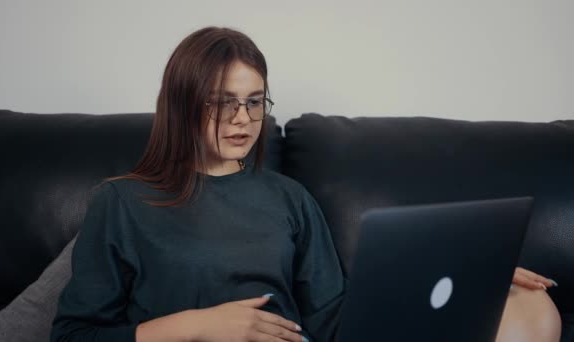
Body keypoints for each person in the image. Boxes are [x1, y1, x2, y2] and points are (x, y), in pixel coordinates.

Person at [47, 26, 561, 342]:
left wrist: (475, 278)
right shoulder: (121, 201)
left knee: (531, 307)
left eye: (253, 101)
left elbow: (337, 318)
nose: (243, 118)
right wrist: (197, 326)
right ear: (181, 104)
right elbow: (73, 334)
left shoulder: (288, 199)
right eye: (223, 101)